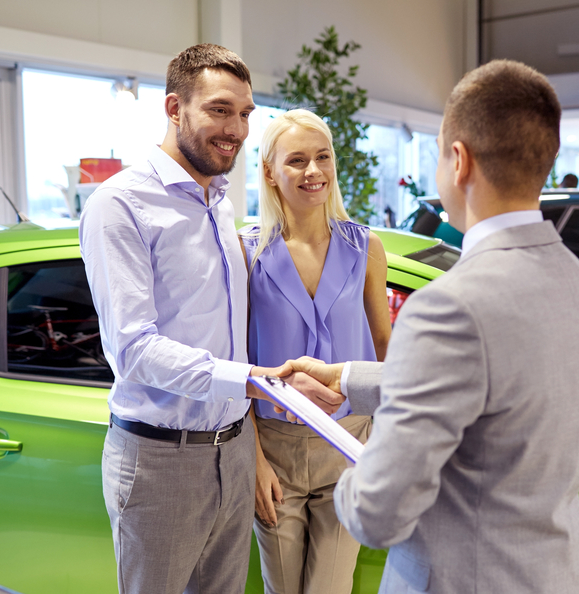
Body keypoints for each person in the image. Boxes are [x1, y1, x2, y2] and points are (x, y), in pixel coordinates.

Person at [289, 60, 579, 593]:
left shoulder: (451, 306)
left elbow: (377, 512)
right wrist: (345, 378)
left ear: (458, 161)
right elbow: (494, 384)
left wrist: (339, 480)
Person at [80, 44, 293, 594]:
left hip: (234, 450)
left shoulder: (217, 202)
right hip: (160, 461)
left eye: (246, 113)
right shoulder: (121, 204)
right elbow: (133, 349)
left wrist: (250, 443)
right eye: (220, 110)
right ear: (175, 108)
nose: (238, 129)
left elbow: (229, 330)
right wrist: (246, 379)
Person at [240, 109, 391, 594]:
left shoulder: (366, 248)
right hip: (274, 447)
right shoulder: (246, 253)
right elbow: (236, 364)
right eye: (297, 160)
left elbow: (387, 353)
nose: (313, 172)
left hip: (350, 445)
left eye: (322, 157)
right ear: (269, 171)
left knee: (329, 588)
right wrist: (255, 460)